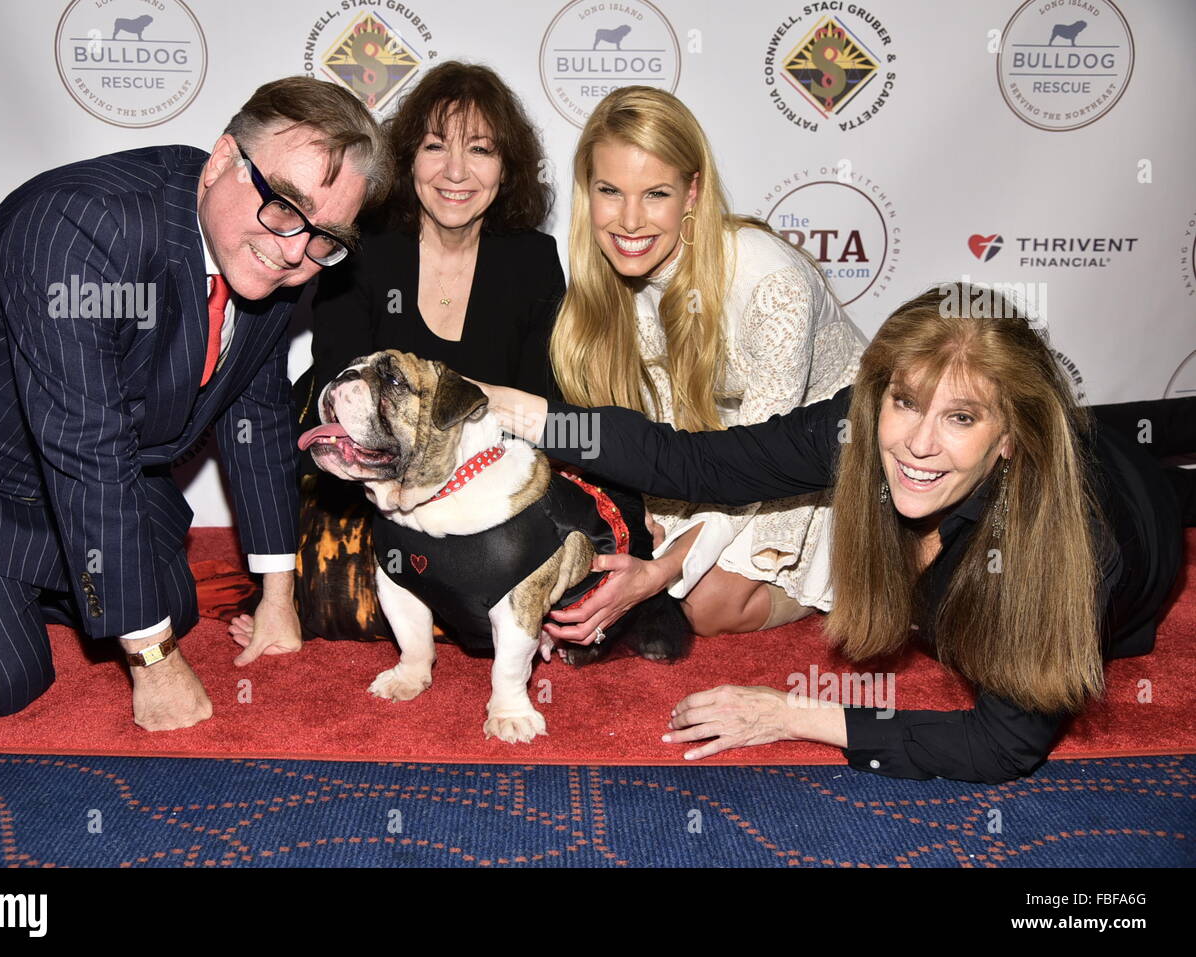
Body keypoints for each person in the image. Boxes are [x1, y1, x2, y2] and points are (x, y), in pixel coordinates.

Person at [476, 284, 1196, 783]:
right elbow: (695, 460)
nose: (916, 443)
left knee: (1144, 463)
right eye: (906, 401)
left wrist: (786, 712)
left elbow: (1000, 744)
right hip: (1071, 440)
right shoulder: (862, 427)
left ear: (1009, 437)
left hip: (1138, 510)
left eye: (963, 418)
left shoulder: (1062, 548)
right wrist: (523, 412)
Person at [0, 77, 391, 730]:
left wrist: (279, 593)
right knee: (1, 675)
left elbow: (257, 415)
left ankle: (4, 583)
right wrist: (153, 660)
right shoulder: (82, 226)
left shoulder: (268, 251)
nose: (295, 250)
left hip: (64, 468)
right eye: (285, 207)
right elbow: (86, 449)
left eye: (326, 236)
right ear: (220, 162)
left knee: (171, 603)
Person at [543, 86, 865, 653]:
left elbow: (766, 458)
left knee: (707, 603)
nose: (630, 220)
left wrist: (663, 569)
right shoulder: (610, 288)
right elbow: (669, 439)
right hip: (715, 462)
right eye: (609, 191)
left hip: (829, 464)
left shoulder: (769, 284)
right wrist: (656, 532)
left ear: (692, 192)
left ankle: (882, 576)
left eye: (656, 193)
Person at [284, 61, 564, 643]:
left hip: (482, 485)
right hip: (363, 481)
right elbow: (340, 388)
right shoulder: (364, 250)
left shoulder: (532, 260)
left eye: (481, 149)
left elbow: (542, 408)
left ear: (505, 167)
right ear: (408, 158)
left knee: (511, 600)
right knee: (350, 613)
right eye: (435, 146)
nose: (456, 171)